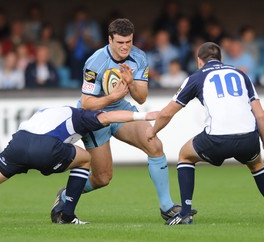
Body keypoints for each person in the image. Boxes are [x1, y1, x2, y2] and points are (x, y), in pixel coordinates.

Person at [50, 18, 195, 224]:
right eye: (120, 42)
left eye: (129, 41)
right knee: (102, 178)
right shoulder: (95, 62)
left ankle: (167, 207)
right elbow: (86, 103)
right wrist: (113, 97)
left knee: (153, 143)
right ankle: (65, 196)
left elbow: (141, 97)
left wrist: (131, 84)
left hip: (121, 111)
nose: (125, 47)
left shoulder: (139, 57)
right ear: (110, 39)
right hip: (94, 117)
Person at [0, 106, 159, 224]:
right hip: (45, 148)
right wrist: (143, 116)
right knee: (86, 158)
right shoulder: (80, 115)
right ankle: (67, 215)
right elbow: (107, 118)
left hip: (18, 144)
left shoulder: (47, 110)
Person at [146, 42, 264, 225]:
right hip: (248, 138)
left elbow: (167, 113)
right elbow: (260, 113)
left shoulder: (196, 77)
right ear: (221, 59)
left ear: (199, 61)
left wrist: (153, 130)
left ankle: (185, 213)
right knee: (257, 164)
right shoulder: (241, 74)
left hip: (217, 139)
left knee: (185, 155)